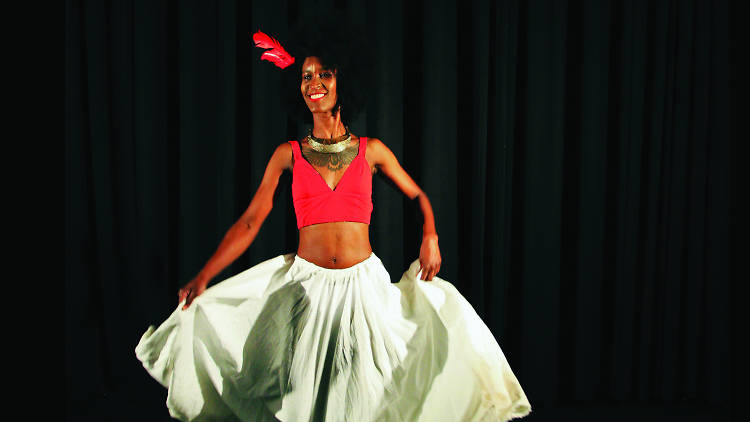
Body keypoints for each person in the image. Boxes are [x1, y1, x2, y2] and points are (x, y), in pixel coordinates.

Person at [136, 24, 531, 422]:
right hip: (307, 292)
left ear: (345, 80)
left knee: (367, 397)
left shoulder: (371, 151)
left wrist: (430, 234)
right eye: (306, 76)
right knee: (306, 402)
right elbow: (250, 222)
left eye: (324, 74)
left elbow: (417, 196)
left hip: (364, 290)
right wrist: (205, 275)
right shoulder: (287, 154)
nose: (314, 83)